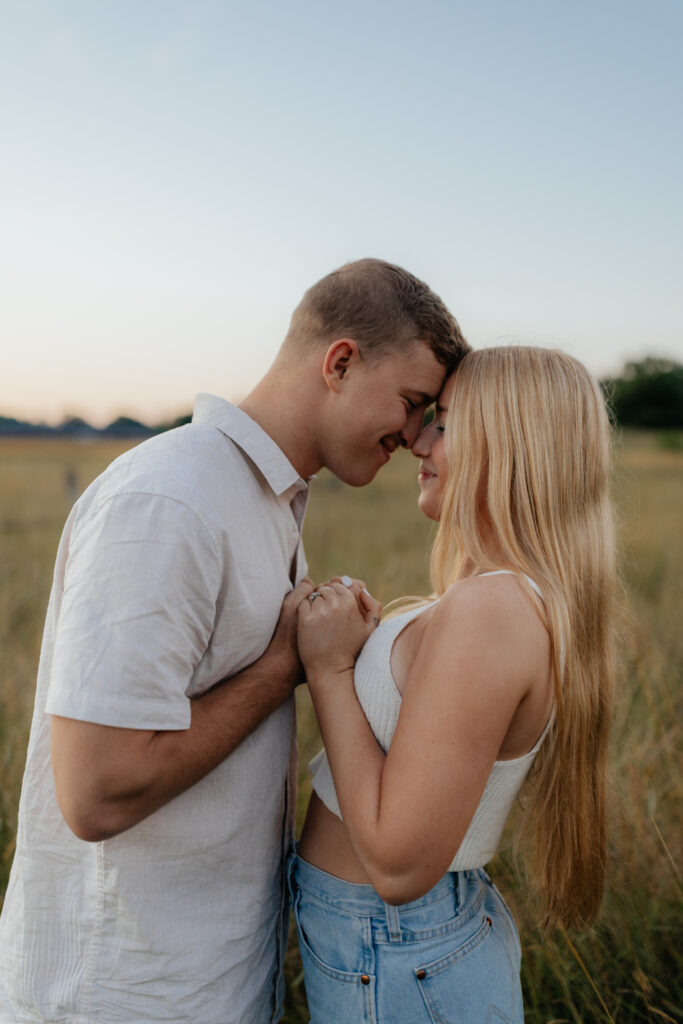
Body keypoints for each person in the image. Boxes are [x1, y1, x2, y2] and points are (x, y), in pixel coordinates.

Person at [0, 259, 469, 1024]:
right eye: (413, 402)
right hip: (118, 997)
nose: (414, 435)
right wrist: (286, 664)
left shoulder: (266, 499)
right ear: (340, 363)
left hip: (208, 984)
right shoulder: (171, 499)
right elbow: (95, 791)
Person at [292, 346, 617, 1024]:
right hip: (390, 947)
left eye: (445, 422)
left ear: (510, 443)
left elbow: (399, 867)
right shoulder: (491, 598)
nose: (417, 439)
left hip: (394, 945)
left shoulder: (492, 610)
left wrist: (329, 672)